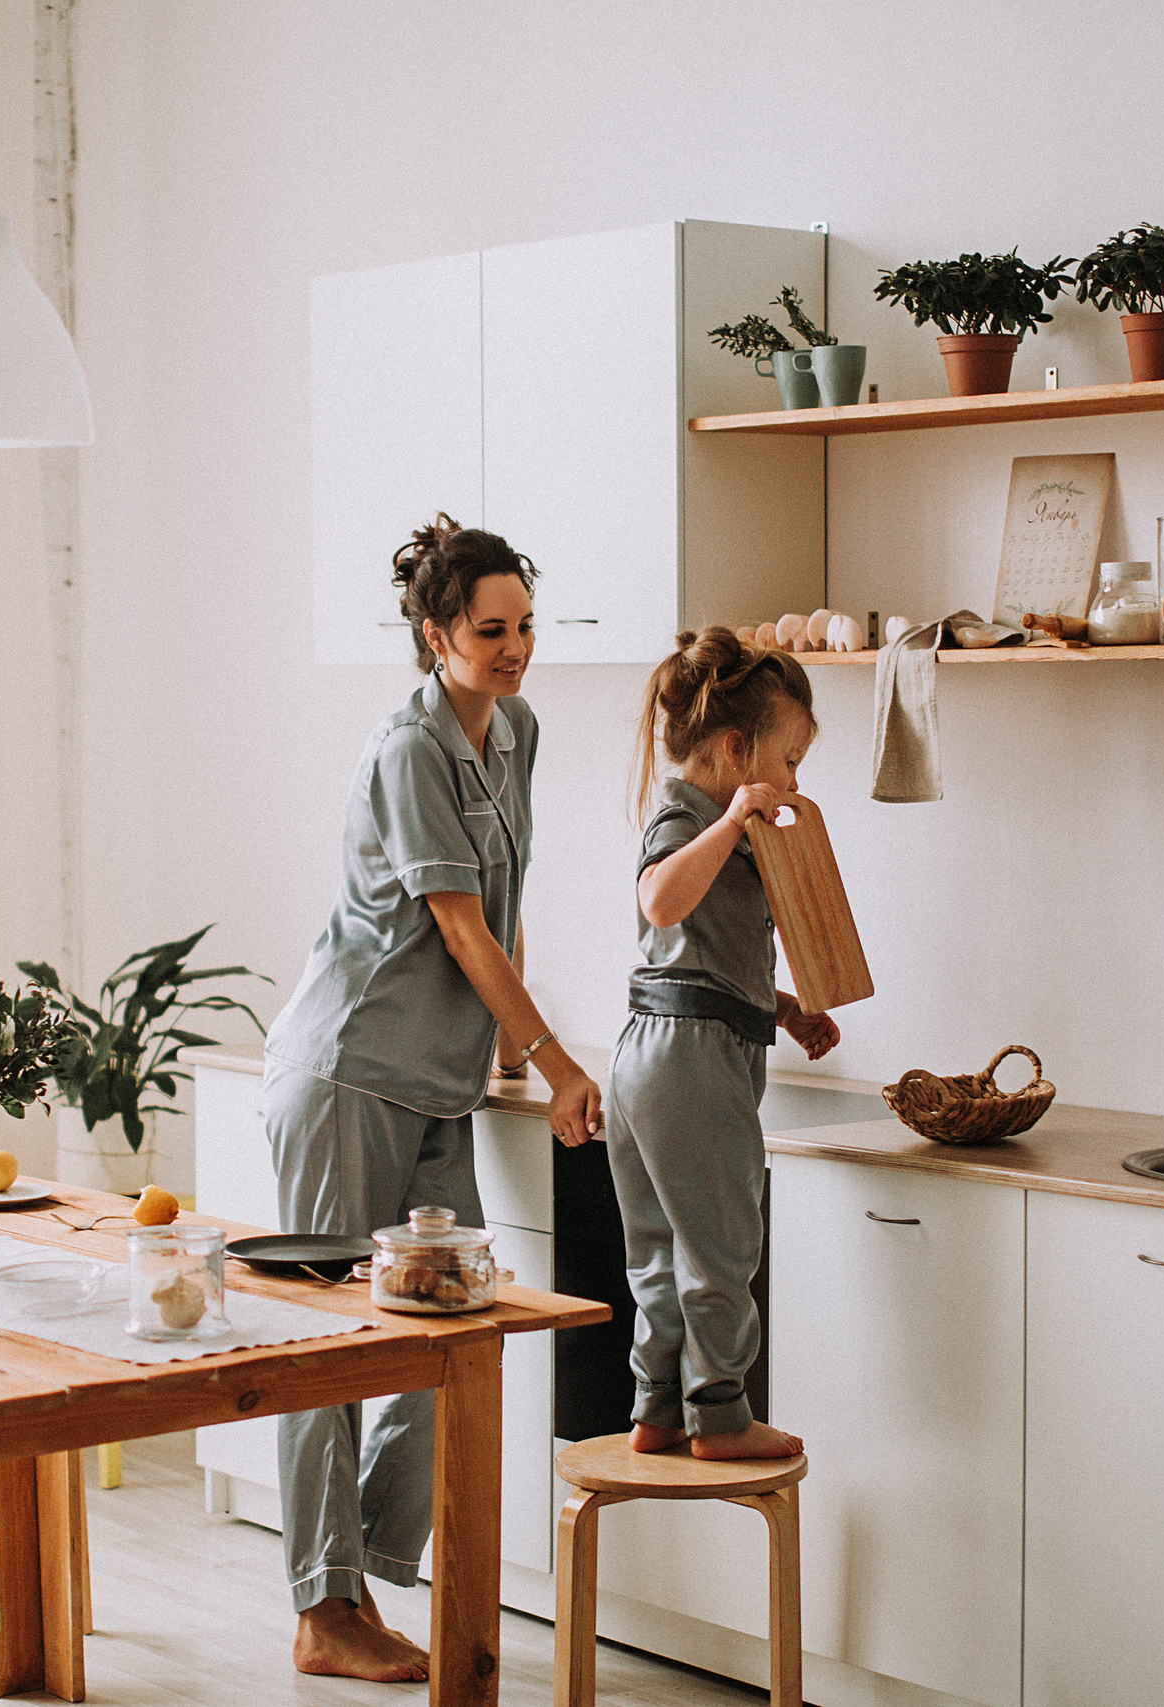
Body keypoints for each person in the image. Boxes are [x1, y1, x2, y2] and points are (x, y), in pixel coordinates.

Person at [262, 513, 604, 1682]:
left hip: (438, 1081)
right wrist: (553, 1057)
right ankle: (324, 1607)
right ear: (435, 633)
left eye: (523, 627)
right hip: (346, 1069)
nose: (513, 650)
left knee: (450, 1327)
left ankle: (363, 1580)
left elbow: (500, 901)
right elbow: (451, 921)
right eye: (489, 630)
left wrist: (505, 1049)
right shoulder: (406, 750)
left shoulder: (519, 732)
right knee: (329, 1352)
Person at [608, 626, 838, 1461]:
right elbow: (661, 903)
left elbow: (703, 959)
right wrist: (737, 814)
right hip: (690, 1057)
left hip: (664, 1045)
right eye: (787, 759)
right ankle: (720, 1413)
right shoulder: (687, 813)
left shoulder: (723, 831)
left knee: (662, 1250)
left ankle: (659, 1405)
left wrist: (783, 1008)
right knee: (720, 1247)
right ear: (737, 750)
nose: (793, 780)